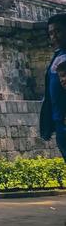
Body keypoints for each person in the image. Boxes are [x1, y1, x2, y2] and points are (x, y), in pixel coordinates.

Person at [40, 14, 66, 160]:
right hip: (59, 122)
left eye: (58, 31)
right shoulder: (57, 57)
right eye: (51, 33)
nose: (54, 36)